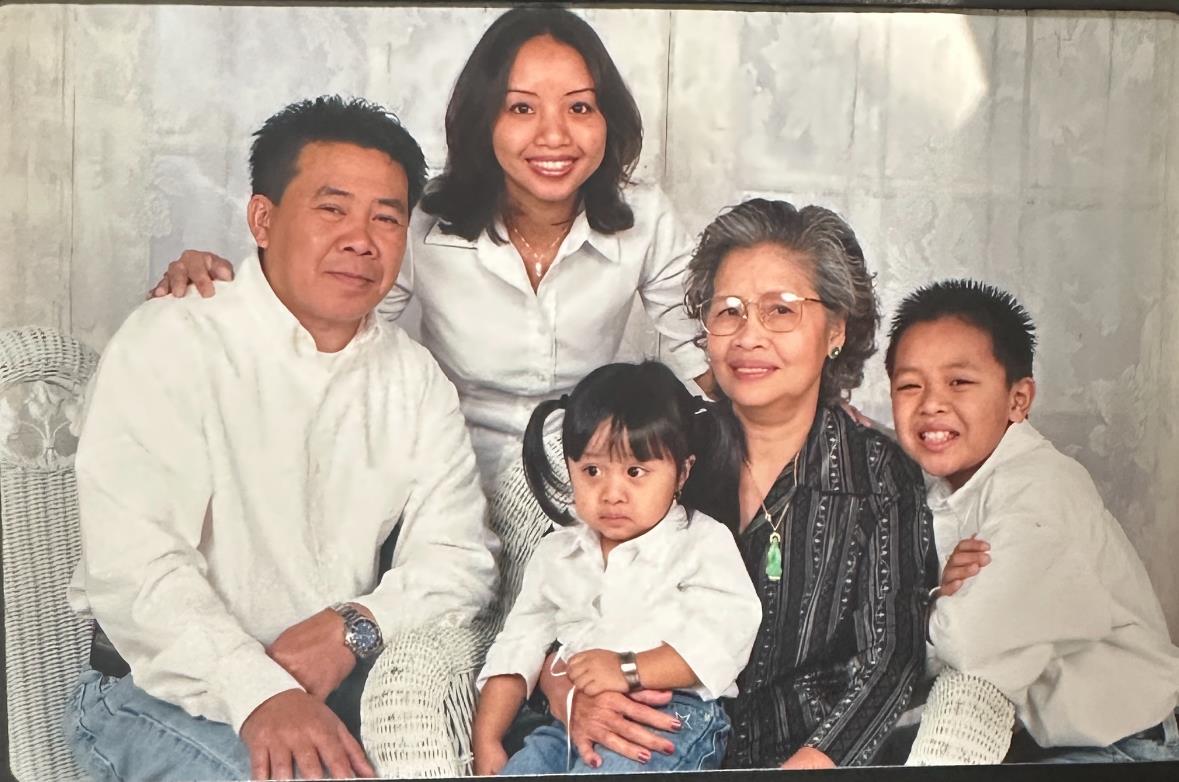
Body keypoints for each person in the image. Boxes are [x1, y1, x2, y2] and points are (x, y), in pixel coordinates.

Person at [62, 95, 498, 782]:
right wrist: (259, 691)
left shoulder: (412, 379)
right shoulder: (174, 340)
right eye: (332, 208)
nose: (361, 238)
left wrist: (358, 624)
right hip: (156, 695)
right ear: (262, 219)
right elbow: (137, 571)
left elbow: (459, 561)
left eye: (386, 217)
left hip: (335, 684)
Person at [148, 6, 712, 492]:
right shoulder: (418, 216)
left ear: (608, 119)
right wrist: (222, 295)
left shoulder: (644, 214)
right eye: (521, 108)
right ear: (483, 118)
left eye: (580, 107)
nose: (554, 135)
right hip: (441, 475)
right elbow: (332, 327)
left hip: (587, 481)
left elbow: (700, 357)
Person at [535, 199, 937, 769]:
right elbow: (571, 588)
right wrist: (567, 694)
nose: (749, 336)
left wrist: (810, 766)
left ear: (836, 331)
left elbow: (889, 660)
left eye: (780, 311)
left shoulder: (874, 473)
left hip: (798, 756)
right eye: (728, 312)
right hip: (644, 745)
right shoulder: (667, 448)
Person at [885, 278, 1179, 764]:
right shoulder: (948, 491)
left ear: (1018, 400)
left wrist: (932, 608)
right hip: (1036, 739)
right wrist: (944, 603)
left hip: (1127, 747)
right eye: (909, 385)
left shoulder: (1041, 489)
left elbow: (973, 645)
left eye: (959, 382)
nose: (931, 403)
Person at [472, 361, 761, 775]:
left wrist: (628, 667)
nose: (612, 493)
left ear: (682, 471)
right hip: (568, 726)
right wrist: (487, 740)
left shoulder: (700, 540)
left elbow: (727, 632)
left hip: (671, 716)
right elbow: (517, 648)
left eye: (635, 472)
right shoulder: (555, 554)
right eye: (592, 470)